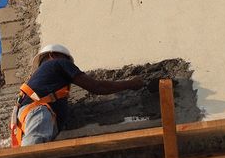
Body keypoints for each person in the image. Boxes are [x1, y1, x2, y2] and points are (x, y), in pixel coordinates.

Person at [10, 44, 145, 146]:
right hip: (39, 112)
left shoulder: (40, 78)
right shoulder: (58, 63)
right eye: (67, 60)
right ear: (52, 55)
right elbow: (97, 87)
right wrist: (131, 84)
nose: (69, 64)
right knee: (33, 151)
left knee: (34, 148)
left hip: (24, 118)